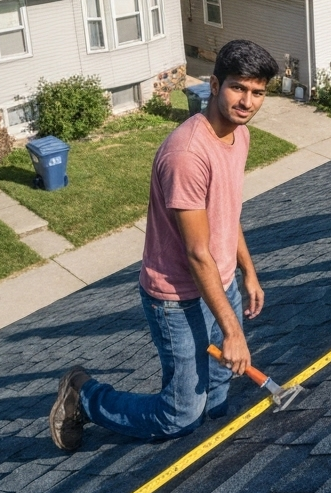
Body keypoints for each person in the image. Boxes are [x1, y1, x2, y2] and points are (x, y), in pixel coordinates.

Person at [49, 40, 279, 451]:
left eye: (257, 92)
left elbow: (227, 211)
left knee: (222, 389)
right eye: (237, 88)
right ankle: (84, 394)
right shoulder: (187, 155)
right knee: (181, 415)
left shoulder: (238, 136)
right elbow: (195, 253)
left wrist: (249, 271)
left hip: (220, 281)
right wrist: (231, 329)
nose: (247, 102)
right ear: (213, 84)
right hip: (177, 296)